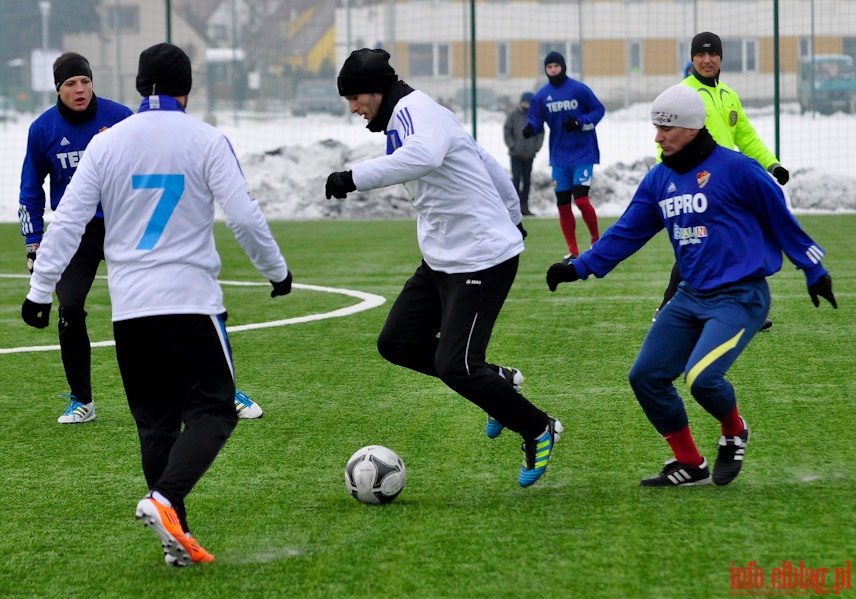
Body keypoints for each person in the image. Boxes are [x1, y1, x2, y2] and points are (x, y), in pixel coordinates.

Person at [21, 43, 293, 565]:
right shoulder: (207, 138)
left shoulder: (107, 141)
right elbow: (243, 214)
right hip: (190, 301)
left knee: (157, 425)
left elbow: (69, 218)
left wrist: (39, 291)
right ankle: (164, 500)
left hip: (131, 311)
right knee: (215, 411)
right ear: (186, 89)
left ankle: (176, 542)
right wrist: (276, 271)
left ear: (141, 85)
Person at [545, 84, 837, 487]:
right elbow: (627, 232)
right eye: (656, 127)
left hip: (741, 296)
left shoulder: (739, 169)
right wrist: (580, 267)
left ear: (692, 128)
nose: (658, 136)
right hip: (690, 296)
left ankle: (734, 431)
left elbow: (782, 220)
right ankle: (690, 464)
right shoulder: (658, 179)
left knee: (701, 379)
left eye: (667, 128)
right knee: (645, 376)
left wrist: (813, 269)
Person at [325, 48, 561, 488]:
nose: (353, 108)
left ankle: (537, 427)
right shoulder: (408, 116)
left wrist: (351, 177)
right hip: (442, 259)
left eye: (355, 97)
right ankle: (496, 382)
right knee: (397, 342)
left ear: (377, 89)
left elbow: (424, 158)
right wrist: (512, 212)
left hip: (480, 258)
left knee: (458, 367)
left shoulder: (417, 112)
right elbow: (484, 161)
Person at [18, 52, 265, 423]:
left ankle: (224, 392)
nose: (80, 89)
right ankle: (81, 400)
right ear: (58, 89)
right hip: (79, 234)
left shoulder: (121, 117)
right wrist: (33, 243)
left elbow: (152, 163)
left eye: (85, 81)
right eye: (70, 84)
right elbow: (30, 191)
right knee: (68, 307)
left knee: (171, 304)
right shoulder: (42, 130)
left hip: (125, 225)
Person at [654, 32, 791, 329]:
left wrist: (772, 164)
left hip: (729, 184)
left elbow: (746, 137)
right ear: (692, 59)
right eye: (700, 55)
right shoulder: (682, 95)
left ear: (720, 58)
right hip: (696, 183)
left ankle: (744, 309)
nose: (707, 60)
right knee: (698, 244)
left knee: (737, 241)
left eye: (712, 54)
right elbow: (665, 141)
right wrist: (668, 180)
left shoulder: (728, 95)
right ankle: (668, 308)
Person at [524, 51, 604, 262]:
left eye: (556, 67)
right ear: (546, 70)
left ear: (563, 67)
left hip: (582, 153)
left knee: (581, 199)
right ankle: (573, 251)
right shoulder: (542, 96)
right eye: (549, 67)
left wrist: (580, 121)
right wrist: (530, 129)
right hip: (559, 157)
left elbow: (598, 110)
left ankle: (596, 242)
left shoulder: (579, 89)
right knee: (562, 203)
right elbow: (535, 119)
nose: (553, 70)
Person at [503, 91, 543, 216]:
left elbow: (541, 133)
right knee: (515, 180)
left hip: (529, 155)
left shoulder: (536, 117)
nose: (526, 105)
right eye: (525, 102)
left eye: (529, 103)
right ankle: (514, 208)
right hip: (515, 154)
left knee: (527, 181)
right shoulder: (513, 115)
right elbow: (507, 131)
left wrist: (535, 148)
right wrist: (512, 146)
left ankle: (524, 207)